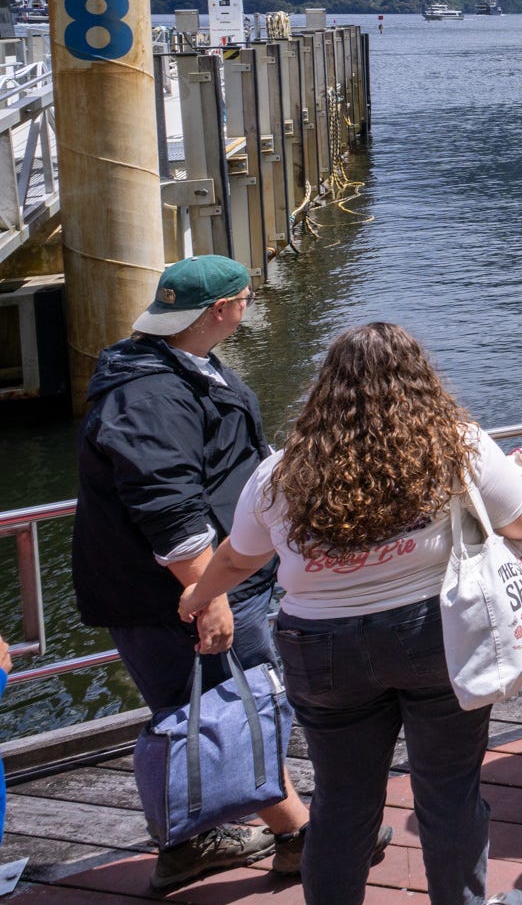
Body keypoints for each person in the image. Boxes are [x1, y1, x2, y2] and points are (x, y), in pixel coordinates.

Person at [176, 324, 522, 905]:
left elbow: (237, 558)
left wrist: (197, 597)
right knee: (449, 791)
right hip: (436, 635)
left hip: (320, 648)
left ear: (326, 387)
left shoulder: (281, 471)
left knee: (343, 801)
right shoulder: (456, 444)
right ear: (421, 380)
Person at [70, 255, 312, 892]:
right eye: (244, 298)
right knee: (237, 711)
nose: (247, 305)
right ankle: (301, 836)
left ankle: (188, 845)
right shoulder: (150, 391)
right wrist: (208, 594)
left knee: (203, 711)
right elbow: (165, 504)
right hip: (179, 592)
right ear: (221, 312)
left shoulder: (173, 366)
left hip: (205, 581)